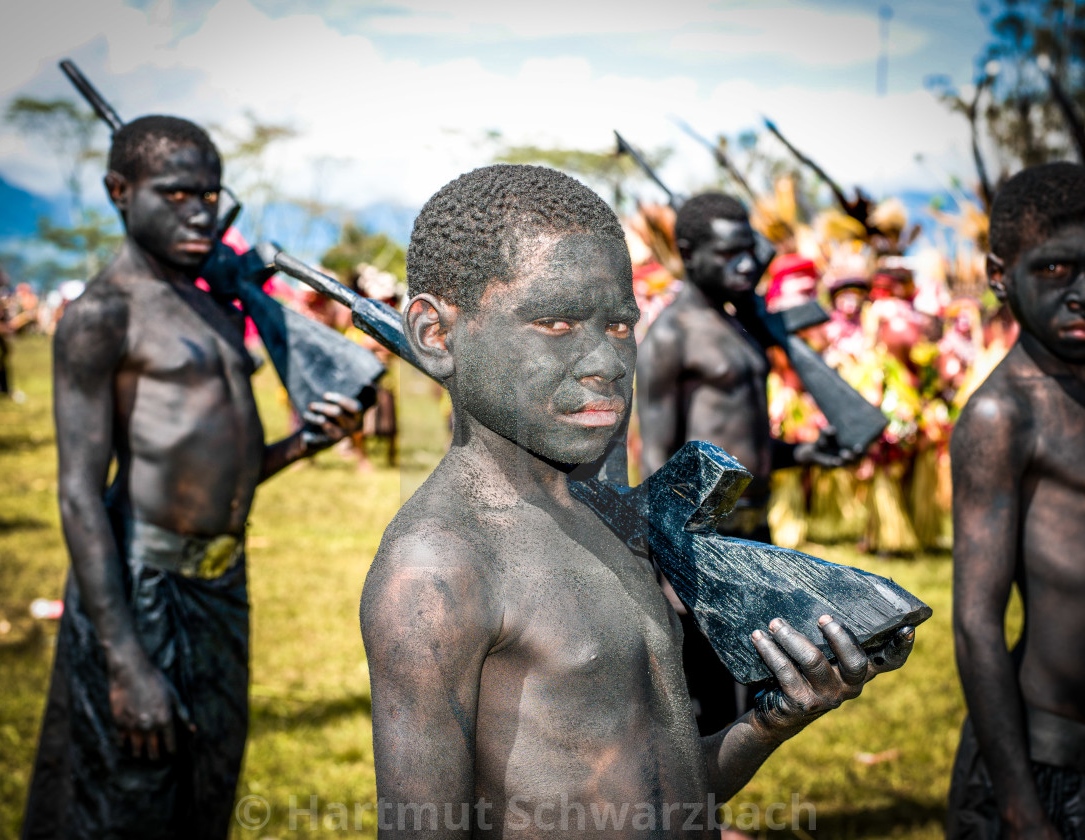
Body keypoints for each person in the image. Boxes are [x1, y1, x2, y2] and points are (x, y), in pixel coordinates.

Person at [361, 164, 914, 838]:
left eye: (621, 326)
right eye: (557, 322)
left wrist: (773, 718)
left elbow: (669, 791)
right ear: (435, 335)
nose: (606, 362)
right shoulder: (439, 568)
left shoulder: (605, 514)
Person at [22, 115, 360, 839]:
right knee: (127, 805)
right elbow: (80, 493)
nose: (201, 212)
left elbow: (209, 475)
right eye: (176, 196)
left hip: (219, 590)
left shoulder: (212, 305)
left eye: (209, 195)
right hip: (142, 594)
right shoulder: (101, 316)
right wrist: (125, 663)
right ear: (120, 191)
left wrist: (304, 442)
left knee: (205, 798)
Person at [636, 193, 855, 733]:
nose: (746, 264)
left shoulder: (738, 326)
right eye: (728, 253)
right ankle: (701, 816)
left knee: (748, 682)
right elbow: (659, 455)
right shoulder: (671, 335)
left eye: (749, 251)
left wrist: (803, 453)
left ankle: (719, 813)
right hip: (703, 535)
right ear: (688, 252)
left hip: (753, 524)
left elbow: (743, 442)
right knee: (701, 692)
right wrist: (670, 559)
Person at [949, 162, 1085, 840]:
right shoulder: (1003, 418)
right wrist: (1021, 808)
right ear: (1000, 275)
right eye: (1056, 271)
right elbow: (976, 623)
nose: (1082, 293)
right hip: (1046, 758)